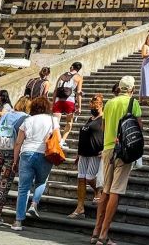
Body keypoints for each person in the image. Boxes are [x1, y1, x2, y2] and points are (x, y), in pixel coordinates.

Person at [92, 75, 143, 245]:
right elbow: (138, 128)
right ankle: (104, 234)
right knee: (116, 190)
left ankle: (96, 231)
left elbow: (104, 126)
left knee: (105, 190)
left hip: (107, 147)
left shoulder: (109, 103)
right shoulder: (132, 102)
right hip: (123, 149)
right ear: (131, 89)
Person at [11, 96, 60, 230]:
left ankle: (18, 221)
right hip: (45, 154)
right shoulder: (53, 120)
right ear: (47, 107)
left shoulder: (28, 120)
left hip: (27, 153)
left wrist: (15, 160)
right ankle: (34, 204)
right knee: (41, 181)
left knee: (23, 188)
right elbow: (58, 139)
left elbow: (18, 142)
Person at [0, 95, 30, 226]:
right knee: (5, 181)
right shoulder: (25, 118)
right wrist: (17, 159)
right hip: (11, 150)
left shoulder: (7, 114)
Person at [69, 94, 104, 218]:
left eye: (96, 104)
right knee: (81, 179)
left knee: (90, 177)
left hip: (95, 153)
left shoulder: (104, 119)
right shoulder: (90, 119)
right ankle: (80, 207)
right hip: (83, 153)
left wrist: (105, 149)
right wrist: (78, 154)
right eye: (92, 104)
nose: (93, 106)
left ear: (101, 105)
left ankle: (98, 191)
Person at [53, 61, 83, 148]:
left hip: (58, 101)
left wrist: (53, 102)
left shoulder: (61, 76)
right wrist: (79, 107)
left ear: (72, 67)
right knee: (69, 122)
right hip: (69, 101)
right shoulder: (78, 77)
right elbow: (78, 92)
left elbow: (55, 90)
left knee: (55, 123)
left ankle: (56, 140)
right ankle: (62, 141)